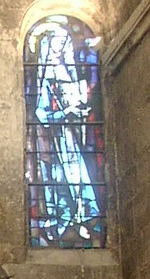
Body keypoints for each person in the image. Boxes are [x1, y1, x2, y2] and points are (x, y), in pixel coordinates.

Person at [31, 20, 100, 242]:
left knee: (79, 178)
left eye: (64, 42)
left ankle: (83, 219)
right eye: (57, 42)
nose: (60, 47)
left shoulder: (68, 74)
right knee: (60, 182)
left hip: (71, 140)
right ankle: (64, 222)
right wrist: (65, 113)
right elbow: (41, 114)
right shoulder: (46, 79)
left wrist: (79, 110)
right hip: (54, 141)